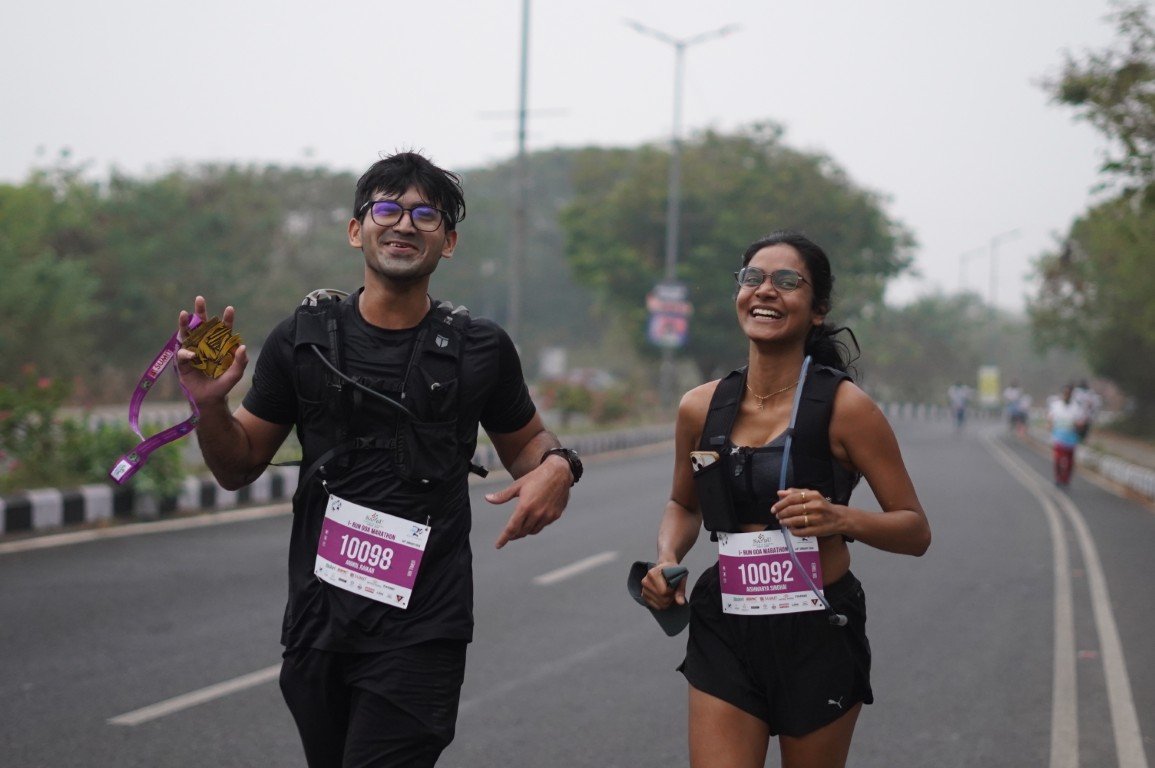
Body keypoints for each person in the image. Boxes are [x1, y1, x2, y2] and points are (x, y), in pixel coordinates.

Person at [173, 152, 582, 768]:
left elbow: (527, 444)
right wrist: (210, 406)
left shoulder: (479, 347)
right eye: (387, 209)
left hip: (424, 625)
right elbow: (237, 465)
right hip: (318, 622)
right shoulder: (302, 339)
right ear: (356, 229)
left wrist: (558, 466)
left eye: (426, 215)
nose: (404, 224)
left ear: (448, 241)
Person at [640, 230, 931, 768]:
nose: (765, 290)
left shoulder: (847, 409)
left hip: (818, 628)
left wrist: (839, 517)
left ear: (817, 309)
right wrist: (666, 559)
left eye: (788, 281)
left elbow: (915, 530)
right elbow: (684, 505)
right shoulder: (699, 407)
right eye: (752, 278)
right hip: (725, 621)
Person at [1048, 383, 1085, 487]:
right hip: (1058, 437)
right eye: (1065, 393)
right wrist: (1050, 426)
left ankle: (1066, 479)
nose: (1066, 395)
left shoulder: (1076, 407)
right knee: (1058, 459)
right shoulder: (1056, 405)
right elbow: (1050, 418)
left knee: (1069, 461)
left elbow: (1081, 422)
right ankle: (1058, 478)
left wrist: (1079, 425)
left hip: (1071, 438)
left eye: (1069, 393)